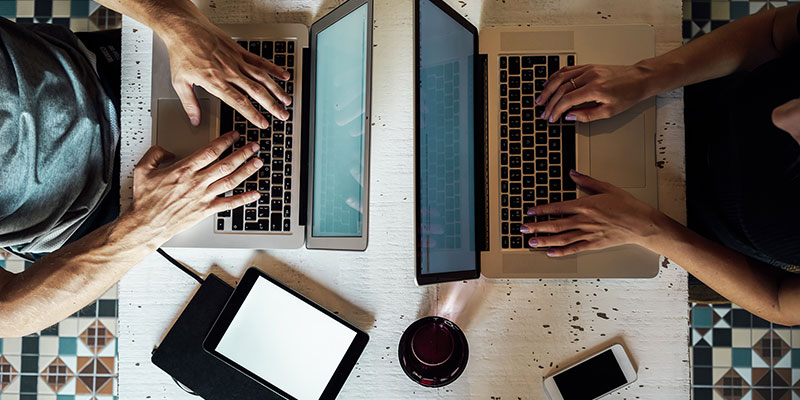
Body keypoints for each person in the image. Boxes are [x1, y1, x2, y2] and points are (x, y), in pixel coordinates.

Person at [0, 0, 290, 337]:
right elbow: (6, 314)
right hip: (105, 223)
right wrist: (147, 225)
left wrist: (176, 24)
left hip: (106, 71)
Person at [526, 4, 800, 325]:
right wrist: (646, 76)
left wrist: (648, 229)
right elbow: (773, 33)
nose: (782, 116)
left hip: (691, 238)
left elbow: (779, 301)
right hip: (682, 93)